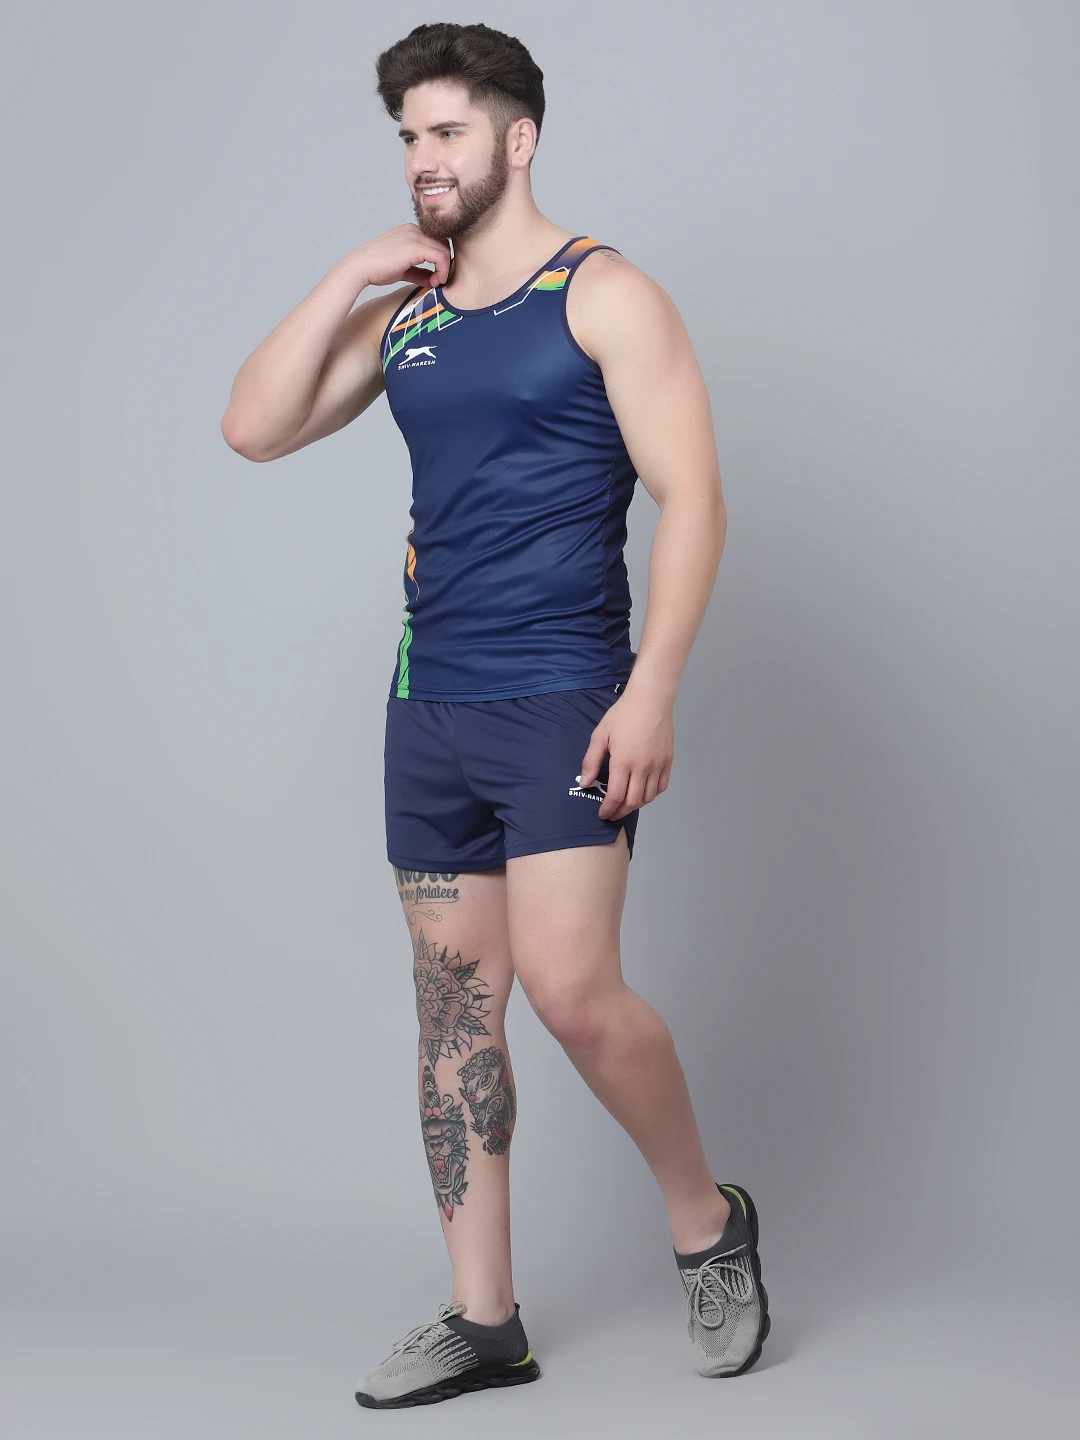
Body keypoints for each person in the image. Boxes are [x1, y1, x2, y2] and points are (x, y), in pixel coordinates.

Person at [221, 20, 768, 1410]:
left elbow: (695, 500)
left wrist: (652, 689)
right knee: (455, 1016)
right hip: (430, 707)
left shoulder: (604, 293)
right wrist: (350, 274)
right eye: (409, 136)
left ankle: (707, 1224)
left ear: (518, 140)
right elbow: (254, 426)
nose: (424, 158)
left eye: (447, 132)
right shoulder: (408, 315)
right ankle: (485, 1322)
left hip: (567, 699)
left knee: (575, 996)